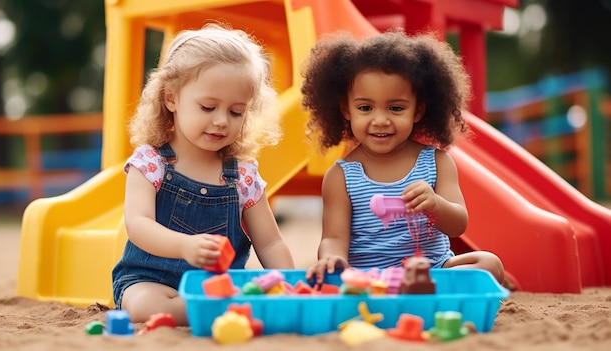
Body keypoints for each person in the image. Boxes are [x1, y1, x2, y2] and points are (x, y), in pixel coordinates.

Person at [112, 23, 295, 326]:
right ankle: (227, 313)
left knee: (248, 293)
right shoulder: (151, 163)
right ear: (171, 98)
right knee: (145, 305)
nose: (222, 121)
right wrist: (184, 246)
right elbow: (138, 224)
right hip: (152, 280)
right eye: (208, 107)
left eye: (236, 112)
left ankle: (222, 309)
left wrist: (288, 285)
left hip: (219, 287)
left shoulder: (243, 177)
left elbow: (270, 243)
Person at [301, 29, 504, 285]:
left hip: (432, 270)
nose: (381, 120)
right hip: (373, 278)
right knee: (331, 275)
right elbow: (334, 238)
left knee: (489, 264)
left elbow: (458, 225)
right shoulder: (341, 176)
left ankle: (421, 287)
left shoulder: (437, 162)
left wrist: (435, 205)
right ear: (346, 109)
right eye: (365, 108)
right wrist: (332, 258)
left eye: (396, 108)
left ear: (418, 111)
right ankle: (414, 291)